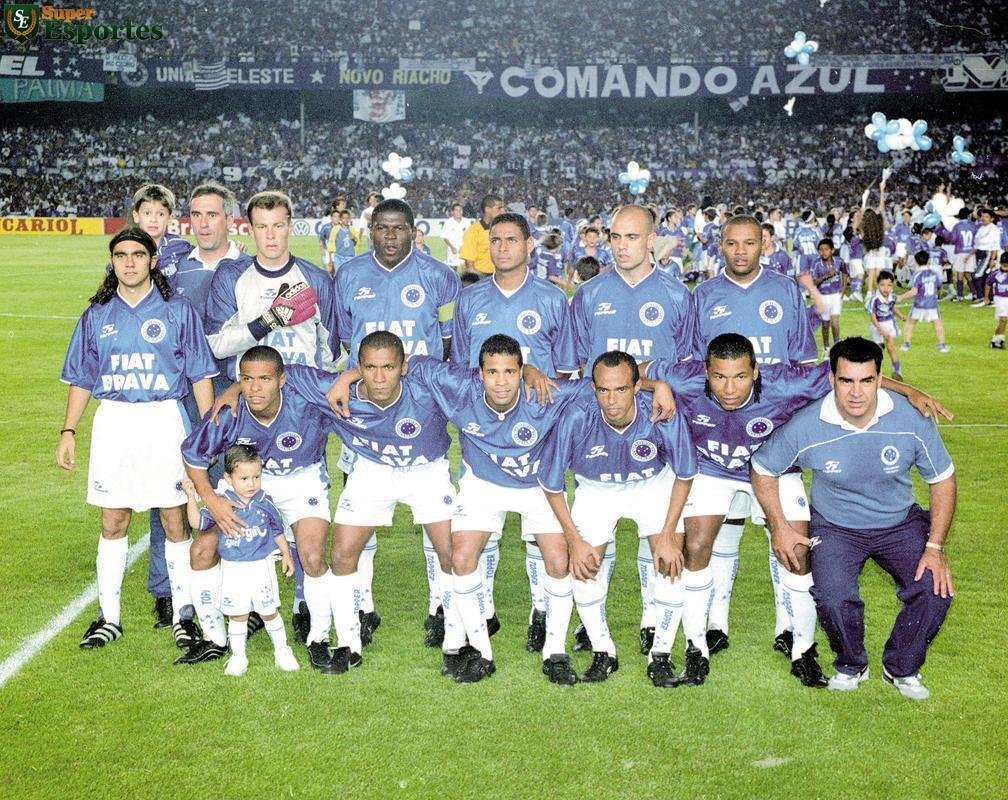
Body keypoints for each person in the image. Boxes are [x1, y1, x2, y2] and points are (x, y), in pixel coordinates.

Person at [645, 333, 947, 687]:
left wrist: (906, 389)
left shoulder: (787, 384)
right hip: (713, 469)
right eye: (718, 377)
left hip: (775, 470)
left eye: (740, 376)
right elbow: (629, 372)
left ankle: (803, 650)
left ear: (757, 372)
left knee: (798, 552)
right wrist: (658, 384)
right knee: (695, 546)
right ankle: (697, 649)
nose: (729, 388)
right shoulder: (683, 376)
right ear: (704, 372)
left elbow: (853, 375)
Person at [751, 337, 955, 700]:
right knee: (831, 595)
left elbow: (942, 479)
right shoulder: (808, 425)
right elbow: (763, 467)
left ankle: (901, 667)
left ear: (880, 380)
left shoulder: (911, 421)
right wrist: (779, 527)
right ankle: (851, 663)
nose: (856, 392)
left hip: (900, 522)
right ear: (831, 380)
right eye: (846, 381)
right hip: (836, 525)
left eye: (866, 381)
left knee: (934, 590)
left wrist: (935, 546)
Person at [56, 228, 217, 651]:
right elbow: (82, 378)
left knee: (174, 520)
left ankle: (184, 616)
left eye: (138, 254)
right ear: (113, 262)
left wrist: (204, 430)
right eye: (121, 255)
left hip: (164, 419)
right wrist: (68, 430)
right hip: (115, 423)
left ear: (152, 261)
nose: (129, 262)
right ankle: (109, 618)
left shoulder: (178, 311)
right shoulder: (97, 315)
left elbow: (200, 374)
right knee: (113, 522)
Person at [203, 189, 339, 641]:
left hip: (299, 408)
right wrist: (270, 320)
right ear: (249, 228)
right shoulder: (232, 276)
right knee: (247, 508)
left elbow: (329, 352)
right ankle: (247, 604)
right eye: (261, 226)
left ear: (291, 224)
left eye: (278, 225)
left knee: (306, 525)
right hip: (249, 403)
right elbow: (215, 346)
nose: (271, 235)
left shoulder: (316, 279)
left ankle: (303, 606)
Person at [179, 346, 356, 674]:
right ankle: (216, 639)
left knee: (312, 555)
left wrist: (348, 375)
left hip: (302, 478)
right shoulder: (229, 411)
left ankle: (318, 637)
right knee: (202, 550)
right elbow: (193, 457)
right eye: (246, 379)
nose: (254, 388)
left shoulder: (303, 387)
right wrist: (214, 501)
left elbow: (364, 372)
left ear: (282, 380)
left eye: (264, 379)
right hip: (249, 483)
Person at [689, 214, 819, 657]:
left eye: (749, 243)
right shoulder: (703, 296)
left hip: (775, 440)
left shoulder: (785, 291)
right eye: (731, 243)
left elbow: (804, 366)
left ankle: (788, 628)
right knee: (720, 533)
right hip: (720, 441)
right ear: (719, 246)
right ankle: (715, 624)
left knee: (783, 536)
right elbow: (694, 370)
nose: (740, 251)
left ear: (764, 243)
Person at [570, 204, 697, 655]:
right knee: (595, 538)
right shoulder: (588, 295)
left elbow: (687, 367)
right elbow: (577, 368)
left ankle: (650, 621)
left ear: (651, 240)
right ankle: (591, 625)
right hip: (599, 429)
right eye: (615, 237)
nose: (621, 246)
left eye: (631, 237)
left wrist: (659, 384)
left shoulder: (679, 295)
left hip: (656, 432)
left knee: (658, 535)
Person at [334, 197, 461, 640]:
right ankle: (361, 606)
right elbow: (342, 341)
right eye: (382, 228)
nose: (390, 236)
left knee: (436, 518)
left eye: (399, 228)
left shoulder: (439, 277)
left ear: (413, 230)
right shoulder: (349, 275)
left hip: (421, 410)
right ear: (371, 231)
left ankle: (441, 607)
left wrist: (422, 389)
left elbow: (449, 343)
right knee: (358, 511)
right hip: (365, 415)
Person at [451, 211, 578, 652]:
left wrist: (534, 376)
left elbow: (565, 375)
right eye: (496, 240)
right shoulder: (470, 300)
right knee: (478, 534)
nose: (502, 247)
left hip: (539, 441)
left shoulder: (552, 299)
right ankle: (482, 611)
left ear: (529, 246)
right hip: (484, 438)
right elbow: (464, 373)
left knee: (541, 539)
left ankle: (541, 610)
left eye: (511, 240)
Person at [539, 351, 697, 687]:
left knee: (670, 563)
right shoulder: (576, 416)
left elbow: (684, 475)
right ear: (592, 388)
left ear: (638, 386)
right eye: (603, 391)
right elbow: (552, 487)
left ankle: (661, 655)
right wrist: (575, 541)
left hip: (652, 484)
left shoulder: (662, 412)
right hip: (596, 489)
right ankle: (603, 650)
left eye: (622, 390)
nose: (612, 400)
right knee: (582, 567)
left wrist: (668, 534)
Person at [146, 181, 254, 639]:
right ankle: (167, 588)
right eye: (196, 214)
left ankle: (236, 588)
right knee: (171, 485)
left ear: (229, 218)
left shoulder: (247, 267)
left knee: (234, 483)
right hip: (181, 391)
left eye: (212, 214)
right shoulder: (172, 266)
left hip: (235, 388)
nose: (204, 222)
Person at [181, 446, 300, 677]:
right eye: (244, 478)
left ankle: (282, 651)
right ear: (228, 478)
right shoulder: (221, 503)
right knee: (238, 614)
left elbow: (277, 531)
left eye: (256, 477)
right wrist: (190, 497)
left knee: (269, 611)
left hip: (261, 567)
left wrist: (286, 554)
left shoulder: (265, 502)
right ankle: (238, 657)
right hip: (233, 569)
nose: (251, 484)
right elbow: (197, 522)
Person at [899, 251, 951, 353]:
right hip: (932, 304)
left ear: (916, 261)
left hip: (919, 304)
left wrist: (900, 297)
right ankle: (941, 346)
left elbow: (914, 291)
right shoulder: (934, 273)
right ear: (928, 260)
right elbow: (939, 285)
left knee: (910, 324)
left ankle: (906, 345)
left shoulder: (917, 274)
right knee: (938, 324)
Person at [807, 239, 849, 356]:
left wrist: (844, 288)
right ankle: (826, 348)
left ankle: (837, 347)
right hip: (823, 296)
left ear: (832, 250)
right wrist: (826, 276)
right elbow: (813, 282)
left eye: (826, 249)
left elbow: (845, 272)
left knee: (835, 323)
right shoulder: (816, 264)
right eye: (821, 250)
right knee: (825, 324)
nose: (823, 252)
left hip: (836, 295)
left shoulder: (839, 261)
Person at [867, 270, 906, 379]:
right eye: (882, 285)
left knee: (891, 346)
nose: (886, 288)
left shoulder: (891, 297)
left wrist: (901, 315)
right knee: (877, 350)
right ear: (878, 285)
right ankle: (876, 373)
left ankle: (897, 371)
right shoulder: (875, 299)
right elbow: (872, 316)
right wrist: (879, 328)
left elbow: (892, 307)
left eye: (889, 285)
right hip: (877, 325)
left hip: (889, 323)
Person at [459, 194, 504, 278]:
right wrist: (486, 281)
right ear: (487, 209)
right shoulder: (473, 231)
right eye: (499, 208)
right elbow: (470, 267)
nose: (503, 211)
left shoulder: (504, 229)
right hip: (482, 279)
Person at [984, 252, 1008, 348]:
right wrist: (986, 297)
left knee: (1004, 321)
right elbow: (988, 284)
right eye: (1004, 265)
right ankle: (999, 341)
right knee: (1003, 318)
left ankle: (995, 339)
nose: (1006, 268)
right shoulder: (996, 274)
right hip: (1000, 298)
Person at [440, 202, 468, 273]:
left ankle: (465, 284)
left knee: (465, 270)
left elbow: (469, 237)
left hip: (464, 249)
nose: (459, 212)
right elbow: (445, 237)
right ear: (452, 212)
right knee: (452, 271)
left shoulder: (466, 222)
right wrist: (452, 247)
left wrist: (464, 247)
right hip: (453, 250)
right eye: (456, 210)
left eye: (460, 210)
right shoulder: (448, 223)